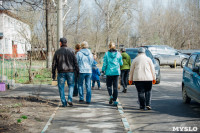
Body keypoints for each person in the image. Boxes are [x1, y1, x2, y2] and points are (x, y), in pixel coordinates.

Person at [52, 37, 79, 107]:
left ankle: (64, 103)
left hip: (61, 72)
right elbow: (75, 62)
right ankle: (70, 99)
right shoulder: (71, 51)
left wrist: (53, 73)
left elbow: (54, 64)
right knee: (71, 85)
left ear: (60, 43)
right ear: (66, 43)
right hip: (70, 71)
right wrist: (77, 71)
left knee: (61, 87)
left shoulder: (57, 52)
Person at [102, 42, 123, 106]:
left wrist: (103, 70)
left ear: (109, 47)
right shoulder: (118, 54)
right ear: (115, 47)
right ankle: (114, 100)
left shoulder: (106, 54)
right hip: (116, 72)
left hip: (109, 72)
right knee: (115, 87)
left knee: (109, 85)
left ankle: (111, 95)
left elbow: (105, 63)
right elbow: (121, 63)